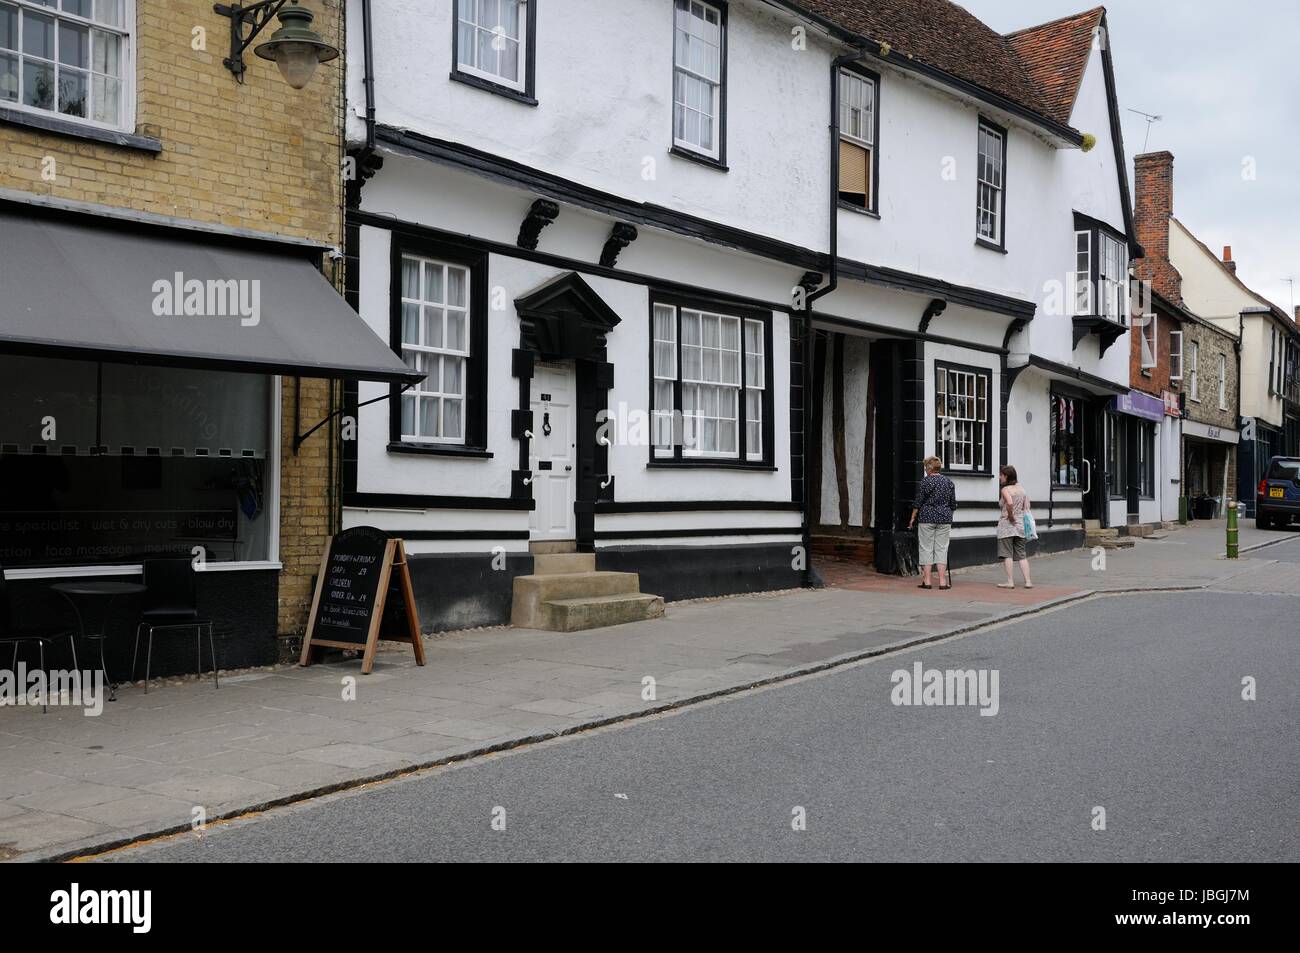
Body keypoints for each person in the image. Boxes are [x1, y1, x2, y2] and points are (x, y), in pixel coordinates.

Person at [907, 456, 957, 590]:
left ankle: (927, 581)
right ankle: (942, 581)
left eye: (925, 468)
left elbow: (918, 502)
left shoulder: (925, 482)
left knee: (926, 548)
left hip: (927, 518)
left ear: (929, 468)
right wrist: (948, 516)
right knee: (941, 548)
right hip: (944, 519)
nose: (924, 470)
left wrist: (912, 518)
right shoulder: (949, 482)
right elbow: (953, 504)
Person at [997, 464, 1033, 589]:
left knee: (1007, 554)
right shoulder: (1022, 490)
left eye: (1001, 475)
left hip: (1007, 524)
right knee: (1021, 554)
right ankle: (1028, 581)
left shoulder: (1005, 490)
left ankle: (1010, 581)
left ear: (1006, 476)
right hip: (1020, 525)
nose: (999, 478)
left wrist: (1011, 516)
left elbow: (1009, 503)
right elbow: (1027, 506)